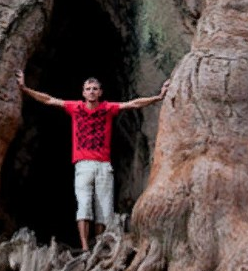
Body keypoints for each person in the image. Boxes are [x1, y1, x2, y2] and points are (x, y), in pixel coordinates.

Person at [16, 71, 169, 251]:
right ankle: (85, 248)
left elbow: (133, 104)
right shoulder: (75, 107)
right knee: (84, 206)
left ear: (100, 92)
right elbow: (49, 100)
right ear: (83, 93)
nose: (91, 92)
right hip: (83, 165)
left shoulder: (107, 108)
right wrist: (24, 89)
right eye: (88, 89)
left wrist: (158, 97)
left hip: (103, 165)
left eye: (95, 89)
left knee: (104, 209)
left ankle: (98, 245)